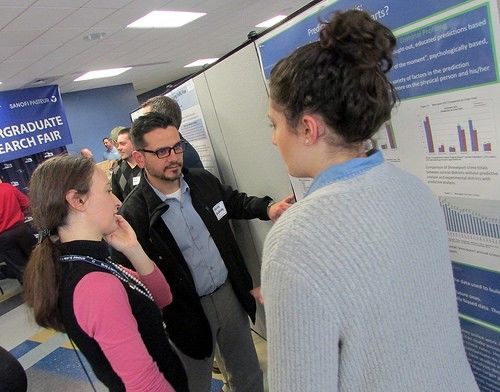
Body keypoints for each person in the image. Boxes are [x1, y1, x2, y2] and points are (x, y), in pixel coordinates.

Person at [261, 9, 478, 392]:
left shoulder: (296, 237)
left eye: (274, 124)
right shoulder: (414, 190)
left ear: (308, 128)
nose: (274, 138)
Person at [112, 112, 292, 392]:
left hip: (228, 294)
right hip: (184, 313)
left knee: (248, 375)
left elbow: (234, 202)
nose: (173, 157)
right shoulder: (134, 215)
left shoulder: (201, 181)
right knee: (192, 384)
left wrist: (267, 208)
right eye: (161, 151)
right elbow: (131, 283)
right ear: (139, 158)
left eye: (177, 146)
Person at [23, 155, 188, 392]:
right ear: (77, 200)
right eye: (108, 191)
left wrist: (133, 249)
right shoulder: (94, 285)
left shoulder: (85, 261)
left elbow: (162, 298)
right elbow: (144, 384)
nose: (117, 201)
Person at [142, 96, 204, 169]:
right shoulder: (174, 149)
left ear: (162, 120)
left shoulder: (182, 158)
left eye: (146, 119)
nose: (142, 124)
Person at [0, 181, 35, 283]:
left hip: (4, 237)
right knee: (38, 260)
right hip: (22, 229)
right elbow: (26, 203)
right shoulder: (7, 187)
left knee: (20, 269)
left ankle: (36, 295)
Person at [112, 128, 141, 201]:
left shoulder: (148, 166)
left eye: (123, 144)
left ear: (134, 143)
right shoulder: (117, 172)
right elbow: (118, 201)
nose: (118, 148)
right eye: (117, 144)